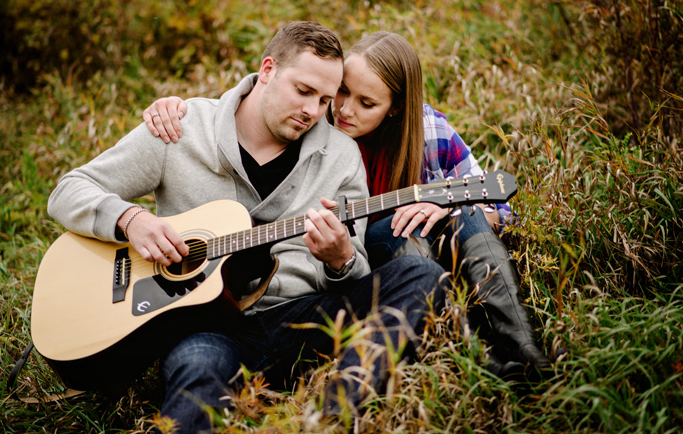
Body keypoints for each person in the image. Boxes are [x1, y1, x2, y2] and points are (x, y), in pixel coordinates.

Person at [47, 22, 447, 433]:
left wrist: (340, 258)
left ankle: (337, 411)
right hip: (210, 330)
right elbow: (69, 189)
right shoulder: (181, 129)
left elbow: (357, 268)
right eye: (304, 91)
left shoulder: (341, 156)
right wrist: (132, 220)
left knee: (421, 275)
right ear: (268, 70)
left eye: (326, 99)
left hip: (307, 320)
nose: (314, 111)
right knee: (195, 372)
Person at [141, 31, 553, 379]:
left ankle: (523, 352)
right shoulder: (309, 120)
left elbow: (496, 206)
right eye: (340, 92)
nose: (342, 109)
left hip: (397, 258)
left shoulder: (431, 133)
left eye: (367, 103)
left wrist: (445, 209)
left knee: (459, 218)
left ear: (395, 108)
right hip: (365, 263)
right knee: (402, 235)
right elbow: (261, 106)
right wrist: (179, 107)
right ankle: (461, 356)